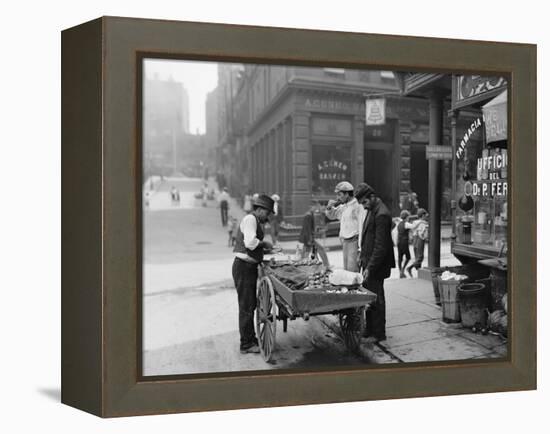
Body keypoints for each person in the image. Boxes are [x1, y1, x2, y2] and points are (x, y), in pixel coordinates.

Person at [232, 194, 274, 354]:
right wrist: (264, 243)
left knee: (250, 304)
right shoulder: (250, 219)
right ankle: (246, 344)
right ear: (261, 209)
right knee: (246, 306)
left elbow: (253, 243)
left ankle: (250, 338)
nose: (267, 217)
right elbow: (250, 243)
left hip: (248, 267)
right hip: (243, 267)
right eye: (267, 213)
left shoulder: (254, 221)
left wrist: (264, 248)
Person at [356, 183, 395, 343]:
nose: (364, 207)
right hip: (369, 262)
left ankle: (379, 333)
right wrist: (361, 255)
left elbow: (380, 247)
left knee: (376, 298)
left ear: (372, 196)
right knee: (369, 297)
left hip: (377, 266)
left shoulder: (382, 214)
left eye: (364, 202)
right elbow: (368, 237)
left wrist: (370, 267)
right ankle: (369, 329)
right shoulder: (373, 209)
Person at [325, 181, 364, 272]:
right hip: (345, 242)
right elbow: (332, 215)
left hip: (354, 241)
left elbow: (361, 227)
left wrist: (360, 248)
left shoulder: (357, 206)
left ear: (347, 194)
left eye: (339, 194)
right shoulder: (344, 206)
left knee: (352, 271)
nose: (337, 197)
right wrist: (329, 207)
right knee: (346, 271)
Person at [406, 208, 429, 277]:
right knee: (420, 257)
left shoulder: (414, 223)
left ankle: (419, 273)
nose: (426, 217)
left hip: (415, 240)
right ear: (422, 215)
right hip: (420, 240)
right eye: (425, 216)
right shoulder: (422, 223)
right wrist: (425, 237)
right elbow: (422, 233)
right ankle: (410, 268)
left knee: (417, 257)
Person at [396, 210, 414, 278]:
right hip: (404, 242)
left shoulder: (399, 224)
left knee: (400, 257)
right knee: (408, 257)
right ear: (407, 217)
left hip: (399, 242)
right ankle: (403, 270)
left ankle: (400, 271)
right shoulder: (406, 224)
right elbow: (413, 226)